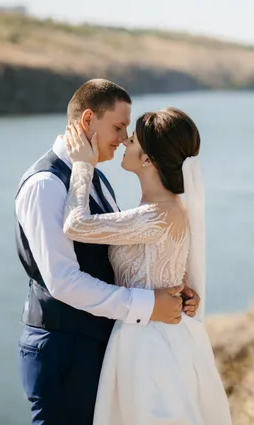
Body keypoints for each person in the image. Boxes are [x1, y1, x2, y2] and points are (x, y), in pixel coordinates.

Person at [16, 79, 200, 425]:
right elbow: (64, 281)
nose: (122, 138)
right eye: (118, 127)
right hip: (63, 348)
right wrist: (150, 304)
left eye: (128, 131)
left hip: (107, 345)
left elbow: (125, 255)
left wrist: (172, 287)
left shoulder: (97, 181)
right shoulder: (46, 185)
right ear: (88, 120)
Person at [63, 108, 232, 425]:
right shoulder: (165, 210)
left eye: (133, 139)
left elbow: (76, 225)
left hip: (149, 348)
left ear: (147, 160)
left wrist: (81, 165)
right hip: (154, 334)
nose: (125, 141)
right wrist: (187, 294)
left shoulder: (158, 214)